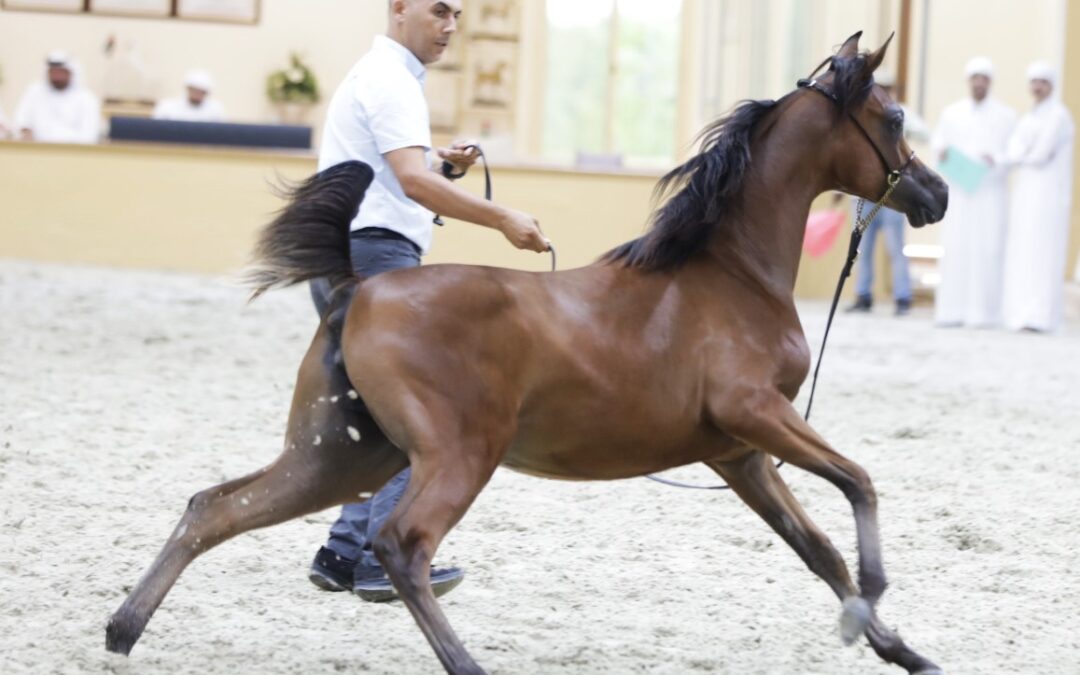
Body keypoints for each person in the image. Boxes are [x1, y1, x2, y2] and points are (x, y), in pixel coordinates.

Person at [307, 0, 548, 602]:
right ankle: (386, 555)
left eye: (458, 17)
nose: (450, 27)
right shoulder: (391, 79)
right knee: (423, 413)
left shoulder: (381, 76)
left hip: (349, 253)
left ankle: (342, 550)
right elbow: (411, 183)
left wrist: (445, 162)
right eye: (439, 12)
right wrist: (504, 220)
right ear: (399, 9)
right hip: (377, 257)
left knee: (373, 414)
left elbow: (407, 167)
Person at [931, 57, 1016, 328]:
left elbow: (1013, 153)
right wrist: (943, 153)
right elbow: (939, 145)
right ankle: (952, 310)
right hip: (960, 193)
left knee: (988, 250)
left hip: (989, 194)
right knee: (956, 248)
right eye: (975, 78)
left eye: (984, 78)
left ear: (990, 82)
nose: (979, 83)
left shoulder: (1006, 116)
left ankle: (984, 314)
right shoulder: (951, 113)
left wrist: (996, 160)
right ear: (969, 81)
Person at [846, 73, 930, 316]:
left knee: (895, 247)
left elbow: (924, 133)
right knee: (862, 248)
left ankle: (902, 297)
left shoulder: (899, 112)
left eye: (886, 87)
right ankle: (863, 295)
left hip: (892, 192)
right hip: (865, 192)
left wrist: (901, 128)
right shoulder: (862, 114)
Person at [1000, 61, 1075, 333]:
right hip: (1026, 193)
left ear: (1051, 85)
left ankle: (1041, 315)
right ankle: (1021, 313)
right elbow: (1013, 150)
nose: (1037, 87)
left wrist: (1017, 156)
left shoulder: (1059, 116)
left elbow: (1040, 154)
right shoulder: (1029, 118)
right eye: (1033, 82)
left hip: (1049, 195)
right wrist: (1013, 156)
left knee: (1044, 253)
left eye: (1042, 82)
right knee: (1024, 250)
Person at [14, 51, 100, 144]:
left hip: (73, 152)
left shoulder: (86, 99)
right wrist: (25, 132)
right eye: (53, 72)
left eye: (60, 73)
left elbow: (89, 136)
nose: (57, 77)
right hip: (37, 151)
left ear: (70, 73)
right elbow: (21, 122)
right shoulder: (34, 93)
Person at [152, 69, 225, 122]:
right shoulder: (167, 107)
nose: (198, 94)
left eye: (202, 92)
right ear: (188, 89)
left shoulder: (215, 110)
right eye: (195, 90)